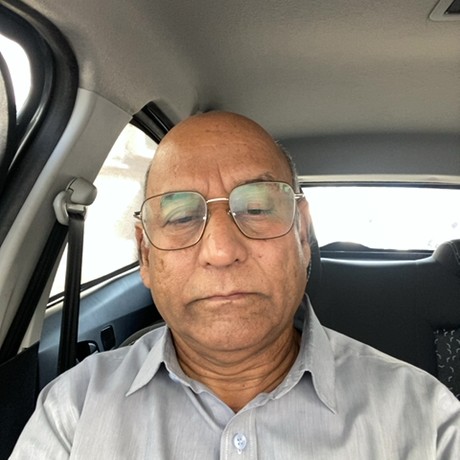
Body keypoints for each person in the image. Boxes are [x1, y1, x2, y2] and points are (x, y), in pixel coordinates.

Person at [10, 111, 460, 459]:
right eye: (181, 217)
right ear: (145, 254)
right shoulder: (74, 410)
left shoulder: (425, 418)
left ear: (302, 234)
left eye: (258, 208)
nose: (222, 250)